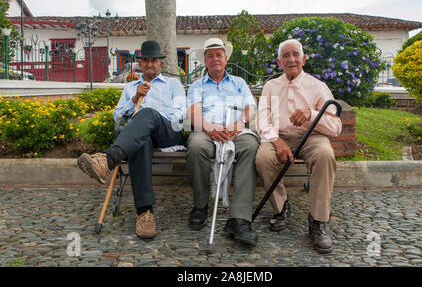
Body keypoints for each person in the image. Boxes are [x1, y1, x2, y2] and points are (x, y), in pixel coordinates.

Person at [77, 40, 186, 240]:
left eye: (154, 60)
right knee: (140, 142)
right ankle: (144, 213)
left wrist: (151, 117)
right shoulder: (130, 88)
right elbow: (117, 117)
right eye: (146, 60)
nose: (150, 64)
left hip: (168, 133)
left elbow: (179, 115)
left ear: (160, 64)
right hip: (142, 137)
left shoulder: (173, 85)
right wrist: (134, 100)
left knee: (147, 115)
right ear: (140, 64)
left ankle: (108, 160)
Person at [255, 39, 342, 253]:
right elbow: (262, 121)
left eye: (295, 54)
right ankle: (281, 206)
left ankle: (318, 221)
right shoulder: (271, 86)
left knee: (325, 154)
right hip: (279, 135)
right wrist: (276, 141)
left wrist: (312, 115)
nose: (291, 59)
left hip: (311, 136)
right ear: (279, 61)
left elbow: (335, 127)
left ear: (303, 59)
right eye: (286, 55)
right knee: (264, 158)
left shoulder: (317, 86)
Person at [186, 38, 259, 247]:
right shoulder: (197, 85)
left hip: (237, 130)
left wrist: (239, 124)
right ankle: (200, 206)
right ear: (205, 61)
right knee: (196, 147)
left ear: (225, 58)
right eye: (210, 55)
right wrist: (209, 127)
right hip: (207, 130)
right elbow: (193, 113)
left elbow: (250, 108)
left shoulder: (239, 83)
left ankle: (239, 218)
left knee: (252, 148)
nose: (215, 59)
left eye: (219, 54)